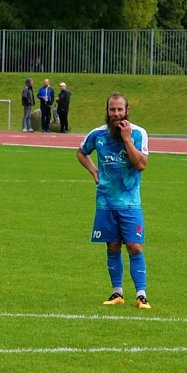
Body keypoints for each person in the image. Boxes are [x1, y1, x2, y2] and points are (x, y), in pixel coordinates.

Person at [76, 92, 151, 309]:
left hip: (130, 203)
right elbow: (81, 153)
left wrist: (126, 139)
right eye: (112, 109)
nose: (116, 114)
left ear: (127, 111)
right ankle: (117, 292)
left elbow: (141, 164)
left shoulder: (138, 133)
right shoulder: (97, 134)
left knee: (135, 246)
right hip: (106, 203)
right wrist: (94, 171)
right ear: (107, 111)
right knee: (112, 246)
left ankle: (141, 295)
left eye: (120, 109)